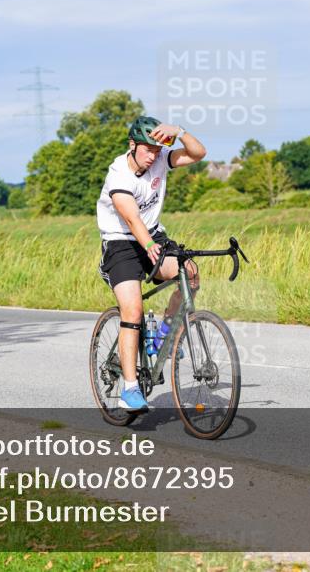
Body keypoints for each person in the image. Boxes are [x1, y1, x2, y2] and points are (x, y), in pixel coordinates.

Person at [96, 116, 207, 412]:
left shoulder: (159, 160)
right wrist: (148, 246)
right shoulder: (118, 174)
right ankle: (130, 389)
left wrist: (179, 132)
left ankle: (163, 339)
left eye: (157, 149)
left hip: (153, 235)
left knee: (190, 275)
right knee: (133, 309)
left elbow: (198, 154)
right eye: (147, 149)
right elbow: (131, 218)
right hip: (121, 243)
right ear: (132, 146)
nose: (153, 155)